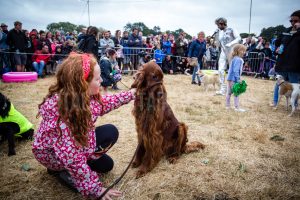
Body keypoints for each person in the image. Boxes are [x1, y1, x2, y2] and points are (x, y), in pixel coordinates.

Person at [32, 52, 136, 199]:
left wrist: (131, 94)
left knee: (107, 159)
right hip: (56, 156)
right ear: (82, 83)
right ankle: (60, 171)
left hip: (74, 148)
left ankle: (79, 167)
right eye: (97, 78)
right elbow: (72, 157)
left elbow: (105, 103)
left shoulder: (83, 97)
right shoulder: (67, 115)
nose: (101, 80)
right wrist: (95, 189)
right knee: (79, 165)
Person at [270, 10, 300, 107]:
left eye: (295, 21)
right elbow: (277, 42)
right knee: (278, 85)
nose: (293, 23)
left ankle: (294, 104)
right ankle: (275, 102)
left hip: (295, 65)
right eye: (291, 21)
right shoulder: (286, 31)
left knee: (294, 86)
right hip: (282, 63)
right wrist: (277, 48)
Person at [214, 17, 241, 95]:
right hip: (223, 51)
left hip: (232, 51)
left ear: (222, 23)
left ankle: (234, 88)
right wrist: (216, 37)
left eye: (218, 25)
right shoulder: (220, 32)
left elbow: (239, 38)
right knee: (220, 70)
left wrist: (231, 44)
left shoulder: (232, 29)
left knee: (233, 70)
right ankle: (223, 89)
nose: (218, 27)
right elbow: (218, 44)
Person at [226, 44, 247, 112]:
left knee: (229, 92)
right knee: (236, 92)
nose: (244, 52)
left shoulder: (234, 58)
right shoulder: (238, 59)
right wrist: (238, 79)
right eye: (242, 50)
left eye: (244, 51)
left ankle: (227, 106)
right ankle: (236, 107)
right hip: (233, 79)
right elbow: (235, 70)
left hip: (230, 78)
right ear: (238, 51)